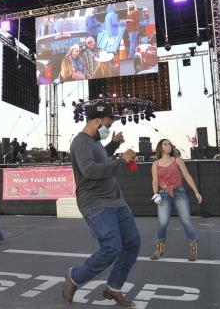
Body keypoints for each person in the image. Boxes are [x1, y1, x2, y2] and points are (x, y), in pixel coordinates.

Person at [62, 101, 139, 307]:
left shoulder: (95, 142)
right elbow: (90, 170)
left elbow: (101, 157)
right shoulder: (80, 142)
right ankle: (74, 276)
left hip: (116, 200)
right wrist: (121, 161)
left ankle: (113, 288)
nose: (109, 129)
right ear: (97, 121)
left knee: (132, 243)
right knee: (112, 248)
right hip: (95, 203)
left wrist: (113, 145)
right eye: (107, 125)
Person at [150, 139, 203, 262]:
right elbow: (155, 181)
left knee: (186, 221)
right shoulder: (156, 164)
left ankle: (193, 248)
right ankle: (159, 248)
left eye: (169, 144)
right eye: (165, 144)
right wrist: (155, 195)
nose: (168, 146)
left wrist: (196, 191)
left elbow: (187, 176)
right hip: (163, 194)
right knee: (163, 222)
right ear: (160, 147)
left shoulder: (177, 160)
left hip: (179, 192)